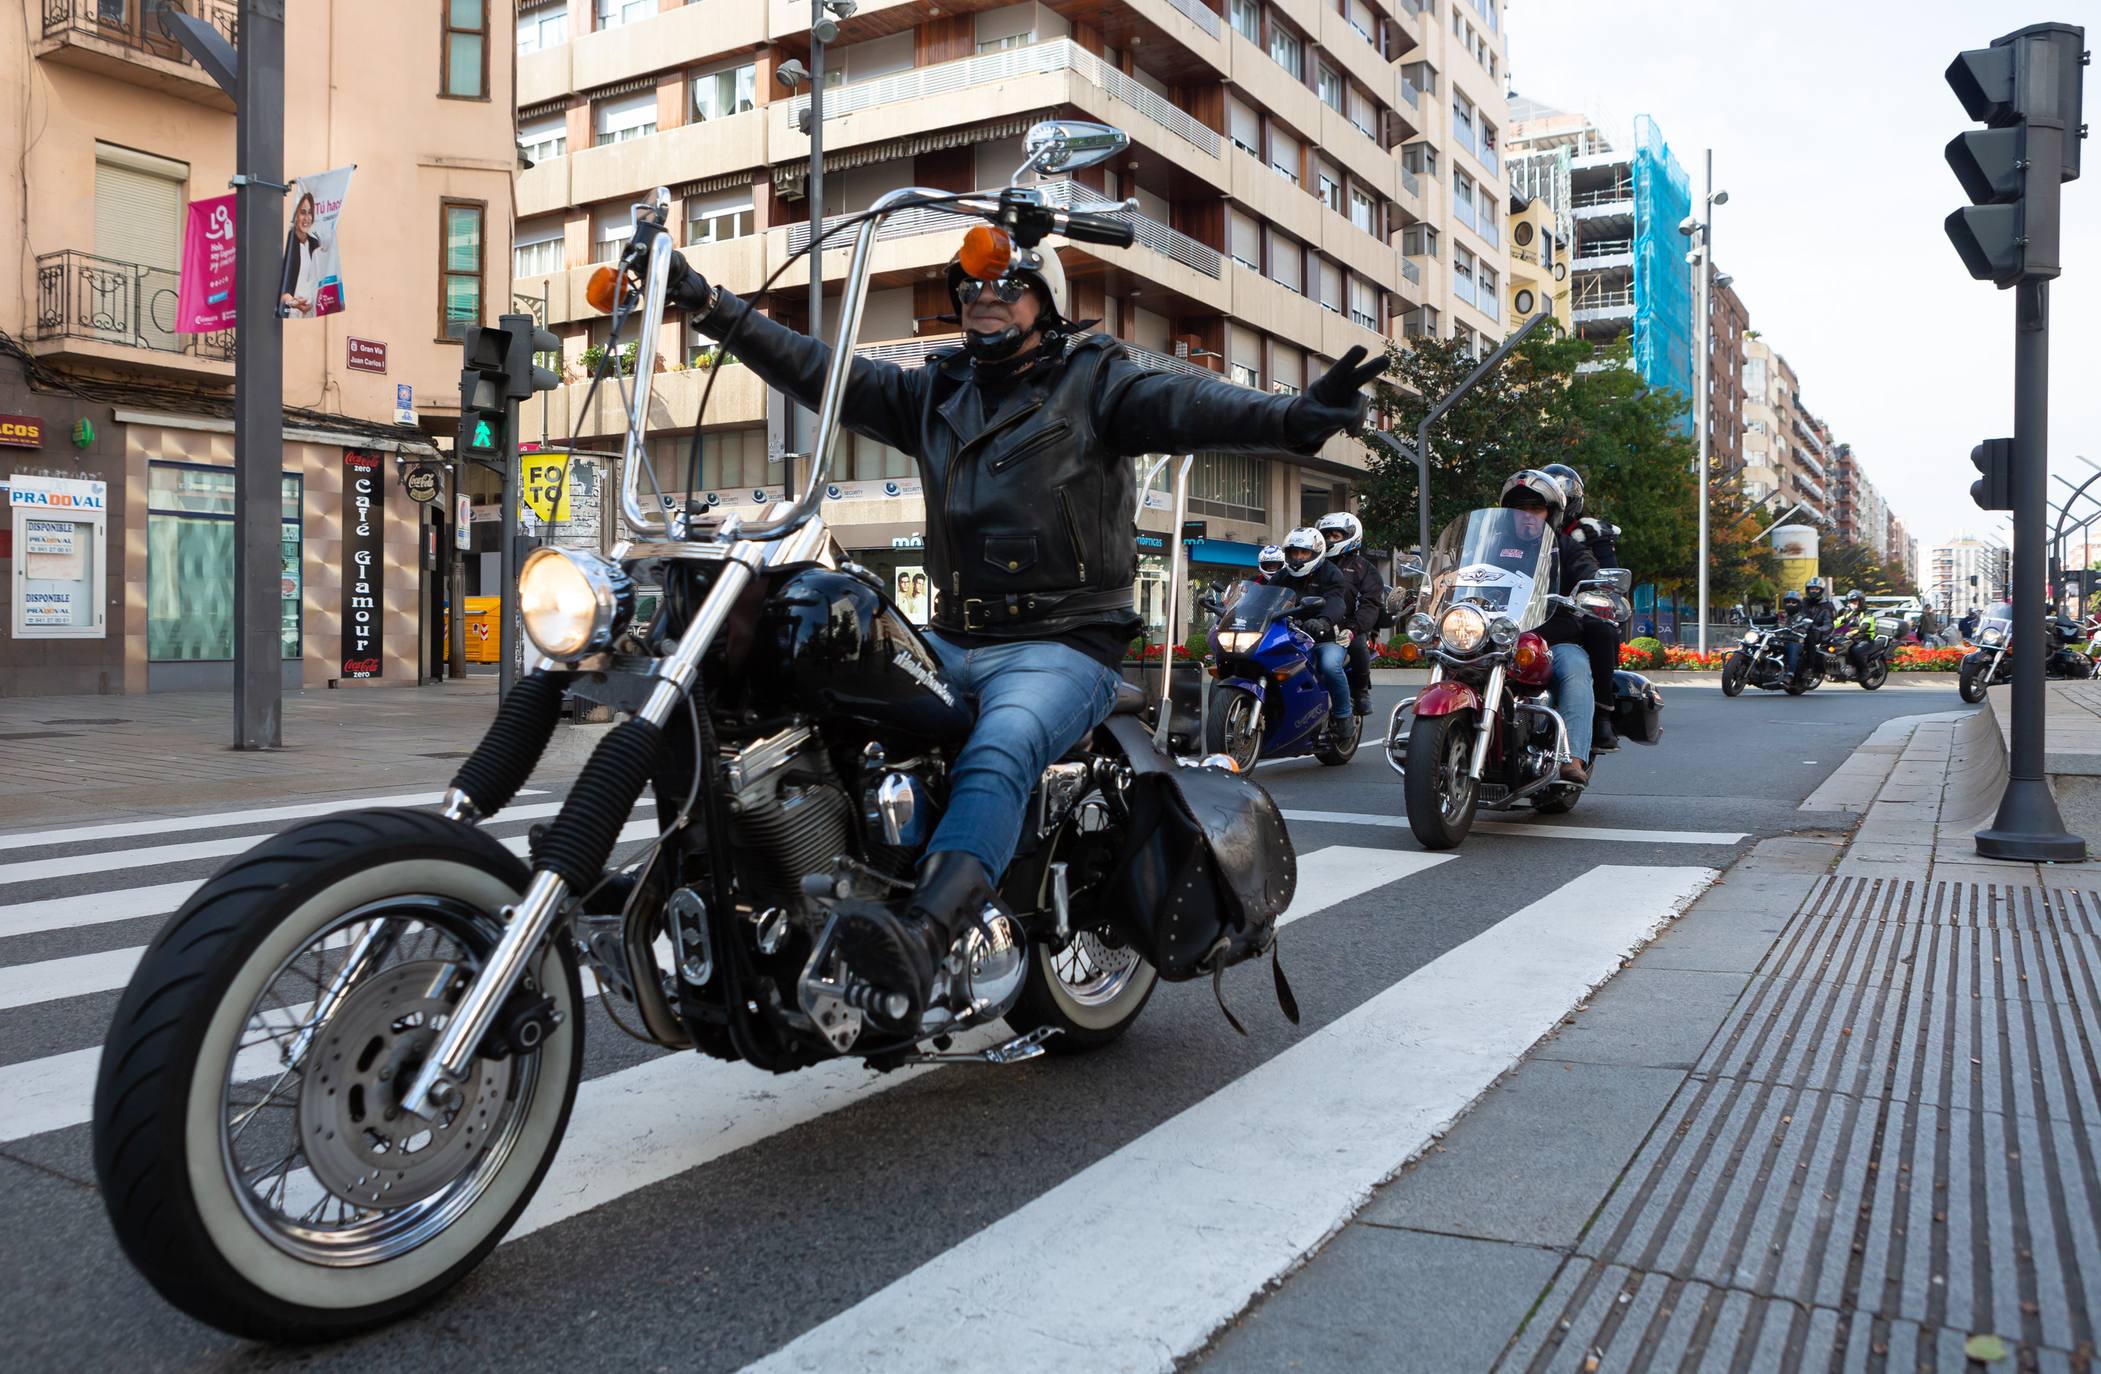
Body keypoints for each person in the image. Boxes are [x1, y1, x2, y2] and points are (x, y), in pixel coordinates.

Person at [665, 232, 1382, 1024]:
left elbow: (1191, 408)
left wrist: (1298, 417)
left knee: (998, 748)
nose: (984, 296)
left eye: (1006, 283)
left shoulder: (1094, 382)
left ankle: (921, 936)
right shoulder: (932, 391)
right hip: (950, 635)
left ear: (1044, 299)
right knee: (814, 707)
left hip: (1063, 641)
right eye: (968, 286)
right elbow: (814, 368)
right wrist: (706, 305)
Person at [1501, 470, 1597, 783]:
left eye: (1535, 509)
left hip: (1553, 639)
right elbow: (1460, 573)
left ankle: (1573, 757)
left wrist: (1592, 590)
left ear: (1551, 513)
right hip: (1500, 637)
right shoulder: (1494, 547)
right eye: (1520, 510)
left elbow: (1590, 576)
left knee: (1575, 669)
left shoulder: (1567, 548)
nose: (1527, 516)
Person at [1540, 462, 1623, 751]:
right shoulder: (1514, 535)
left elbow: (1606, 572)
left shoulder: (1589, 532)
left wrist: (1597, 591)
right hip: (1527, 611)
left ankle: (1602, 714)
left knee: (1600, 629)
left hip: (1573, 605)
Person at [1277, 527, 1354, 726]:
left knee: (1330, 666)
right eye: (1294, 552)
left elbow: (1336, 601)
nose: (1299, 557)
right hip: (1289, 636)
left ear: (1316, 553)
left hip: (1324, 637)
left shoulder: (1330, 573)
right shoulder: (1283, 575)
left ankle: (1344, 716)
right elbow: (1265, 596)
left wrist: (1323, 621)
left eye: (1304, 552)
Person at [1315, 511, 1383, 718]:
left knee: (1357, 644)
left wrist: (1353, 628)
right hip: (1313, 624)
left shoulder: (1364, 568)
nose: (1329, 540)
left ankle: (1361, 691)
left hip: (1347, 626)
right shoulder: (1313, 565)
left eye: (1335, 536)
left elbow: (1370, 603)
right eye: (1326, 536)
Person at [278, 190, 323, 319]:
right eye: (303, 212)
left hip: (310, 311)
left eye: (310, 213)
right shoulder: (287, 242)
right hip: (290, 312)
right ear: (296, 215)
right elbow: (276, 286)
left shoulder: (315, 243)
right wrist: (293, 302)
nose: (306, 218)